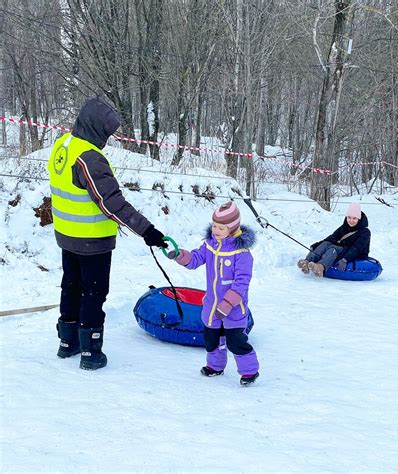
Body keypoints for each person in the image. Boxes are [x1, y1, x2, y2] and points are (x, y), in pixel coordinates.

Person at [48, 96, 168, 371]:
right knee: (93, 292)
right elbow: (111, 203)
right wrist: (148, 231)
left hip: (67, 235)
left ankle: (67, 342)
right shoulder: (89, 158)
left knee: (71, 286)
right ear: (95, 127)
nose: (108, 138)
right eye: (107, 132)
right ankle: (91, 351)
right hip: (92, 240)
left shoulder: (63, 145)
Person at [168, 201, 260, 386]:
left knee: (236, 341)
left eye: (221, 228)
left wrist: (227, 304)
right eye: (214, 226)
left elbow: (242, 284)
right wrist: (180, 255)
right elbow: (195, 259)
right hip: (211, 305)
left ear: (233, 229)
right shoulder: (210, 245)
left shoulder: (242, 253)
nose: (216, 230)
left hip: (233, 308)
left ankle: (250, 371)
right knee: (212, 338)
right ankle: (215, 366)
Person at [297, 203, 370, 278]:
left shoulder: (365, 232)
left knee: (333, 248)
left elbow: (357, 248)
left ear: (359, 219)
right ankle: (306, 262)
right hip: (342, 249)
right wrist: (316, 245)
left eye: (354, 218)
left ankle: (320, 267)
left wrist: (345, 259)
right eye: (349, 217)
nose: (351, 220)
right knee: (326, 244)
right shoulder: (344, 227)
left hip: (355, 253)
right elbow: (332, 238)